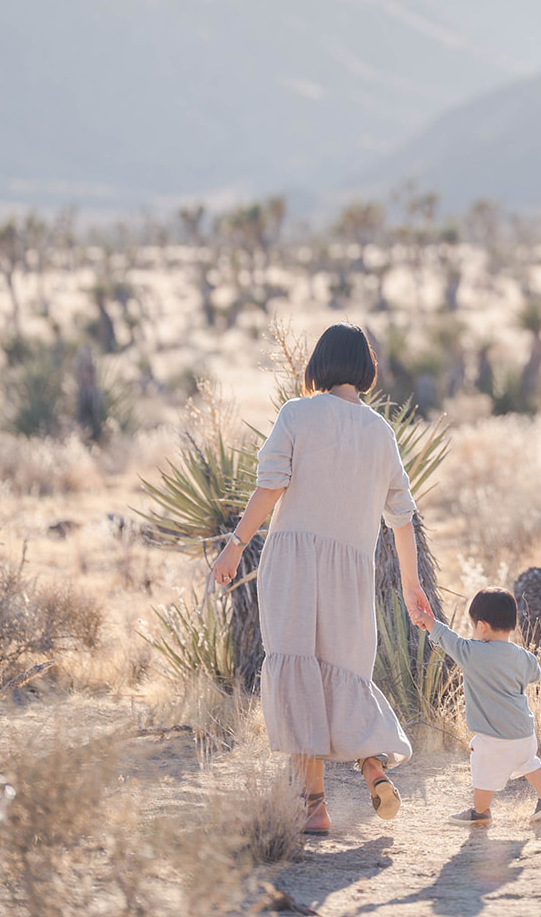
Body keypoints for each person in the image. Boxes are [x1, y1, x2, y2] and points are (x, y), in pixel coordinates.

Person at [212, 322, 431, 835]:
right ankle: (372, 764)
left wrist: (234, 545)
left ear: (319, 365)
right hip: (352, 570)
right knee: (345, 671)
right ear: (365, 370)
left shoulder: (297, 413)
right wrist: (411, 585)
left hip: (292, 563)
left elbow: (269, 488)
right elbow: (402, 516)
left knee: (298, 672)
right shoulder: (380, 431)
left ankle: (314, 807)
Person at [415, 588, 541, 825]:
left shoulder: (473, 653)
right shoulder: (524, 657)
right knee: (529, 761)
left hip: (494, 735)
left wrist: (427, 621)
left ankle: (480, 812)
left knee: (482, 765)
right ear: (512, 626)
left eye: (473, 626)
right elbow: (535, 674)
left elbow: (449, 639)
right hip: (524, 731)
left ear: (481, 626)